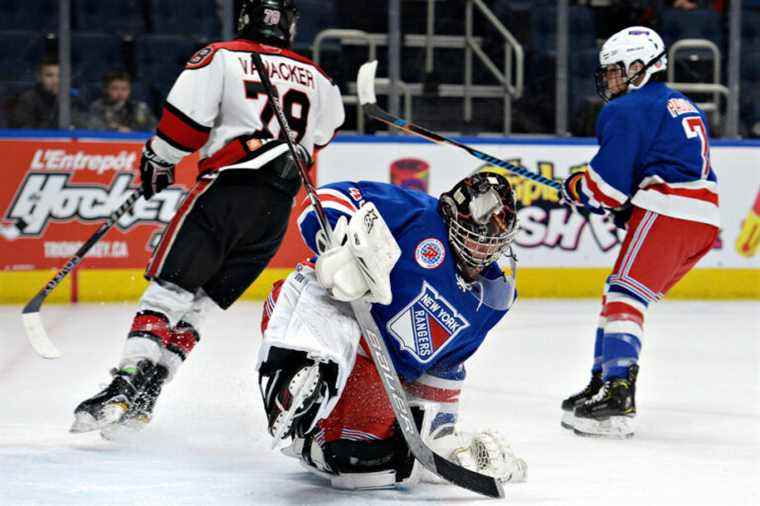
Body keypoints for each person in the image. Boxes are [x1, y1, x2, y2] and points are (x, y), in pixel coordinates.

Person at [70, 0, 345, 437]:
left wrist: (158, 159)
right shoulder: (320, 78)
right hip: (276, 211)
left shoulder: (220, 56)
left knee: (170, 290)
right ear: (289, 26)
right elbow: (323, 135)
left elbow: (184, 127)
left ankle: (124, 384)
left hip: (225, 194)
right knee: (202, 304)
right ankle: (149, 392)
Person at [256, 172, 528, 490]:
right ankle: (296, 382)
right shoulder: (416, 213)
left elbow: (445, 368)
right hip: (325, 308)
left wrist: (441, 438)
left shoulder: (493, 299)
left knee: (363, 464)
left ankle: (313, 443)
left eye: (492, 244)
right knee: (322, 331)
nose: (482, 253)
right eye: (475, 239)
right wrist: (342, 247)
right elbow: (324, 200)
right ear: (452, 218)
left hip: (376, 369)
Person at [559, 26, 720, 438]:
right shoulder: (678, 103)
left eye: (615, 71)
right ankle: (602, 381)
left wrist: (577, 187)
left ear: (638, 67)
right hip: (701, 219)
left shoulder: (626, 109)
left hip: (669, 208)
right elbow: (663, 164)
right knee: (620, 291)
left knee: (623, 295)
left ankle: (616, 392)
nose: (609, 80)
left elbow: (606, 190)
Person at [10, 56, 86, 129]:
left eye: (60, 75)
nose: (55, 81)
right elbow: (22, 133)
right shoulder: (28, 100)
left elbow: (85, 126)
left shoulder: (72, 99)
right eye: (49, 75)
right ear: (39, 77)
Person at [87, 70, 157, 132]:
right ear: (106, 90)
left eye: (124, 89)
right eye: (115, 88)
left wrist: (132, 131)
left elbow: (153, 129)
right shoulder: (97, 107)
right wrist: (116, 129)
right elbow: (93, 129)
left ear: (130, 90)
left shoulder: (140, 108)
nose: (120, 93)